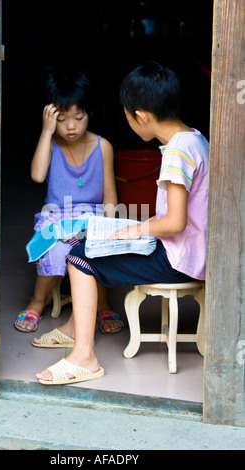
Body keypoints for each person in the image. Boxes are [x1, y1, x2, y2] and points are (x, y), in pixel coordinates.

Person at [35, 60, 209, 385]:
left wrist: (133, 229)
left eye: (128, 116)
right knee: (86, 245)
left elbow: (174, 222)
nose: (128, 122)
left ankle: (83, 357)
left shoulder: (176, 154)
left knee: (79, 257)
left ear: (141, 116)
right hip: (189, 251)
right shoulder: (194, 139)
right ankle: (75, 328)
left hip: (179, 260)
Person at [15, 67, 124, 336]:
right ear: (51, 118)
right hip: (56, 216)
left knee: (95, 250)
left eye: (78, 117)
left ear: (90, 114)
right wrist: (46, 132)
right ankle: (37, 301)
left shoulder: (103, 146)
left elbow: (110, 194)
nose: (71, 126)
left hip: (93, 216)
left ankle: (103, 304)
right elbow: (38, 175)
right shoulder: (50, 144)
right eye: (62, 119)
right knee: (55, 248)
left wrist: (108, 228)